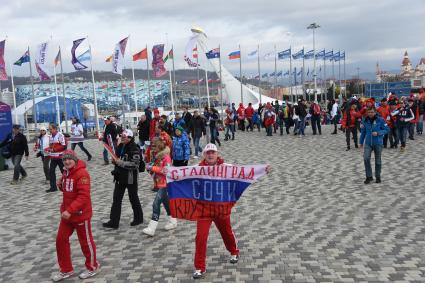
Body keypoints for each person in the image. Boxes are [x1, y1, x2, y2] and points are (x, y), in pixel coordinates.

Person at [192, 143, 270, 279]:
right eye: (208, 153)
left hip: (221, 208)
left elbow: (245, 172)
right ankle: (199, 267)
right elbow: (179, 174)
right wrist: (165, 171)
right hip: (203, 210)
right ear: (204, 155)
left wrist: (263, 169)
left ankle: (234, 251)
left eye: (213, 152)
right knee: (200, 237)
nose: (210, 155)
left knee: (226, 232)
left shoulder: (227, 168)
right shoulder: (197, 168)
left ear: (217, 154)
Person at [52, 150, 99, 282]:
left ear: (75, 159)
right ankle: (66, 269)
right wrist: (61, 185)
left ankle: (93, 267)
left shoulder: (82, 173)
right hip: (67, 215)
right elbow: (69, 191)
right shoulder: (66, 172)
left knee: (85, 242)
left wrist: (70, 210)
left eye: (69, 159)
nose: (67, 161)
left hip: (80, 215)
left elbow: (83, 196)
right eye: (64, 160)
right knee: (60, 240)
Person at [103, 129, 143, 229]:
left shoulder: (134, 148)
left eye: (125, 137)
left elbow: (134, 165)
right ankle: (114, 221)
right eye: (122, 136)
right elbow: (117, 158)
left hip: (130, 178)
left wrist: (119, 162)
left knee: (133, 198)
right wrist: (114, 161)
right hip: (120, 177)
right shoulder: (121, 146)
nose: (122, 138)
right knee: (116, 199)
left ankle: (139, 218)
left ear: (130, 137)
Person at [143, 137, 176, 236]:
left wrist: (153, 167)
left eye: (154, 146)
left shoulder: (166, 157)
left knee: (156, 203)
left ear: (159, 147)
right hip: (160, 183)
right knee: (166, 204)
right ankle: (173, 220)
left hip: (166, 184)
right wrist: (150, 168)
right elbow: (156, 168)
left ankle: (152, 227)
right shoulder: (157, 157)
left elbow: (167, 171)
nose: (152, 149)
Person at [360, 107, 389, 184]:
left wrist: (378, 133)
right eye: (369, 112)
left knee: (378, 160)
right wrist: (361, 142)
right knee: (366, 158)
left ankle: (378, 176)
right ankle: (369, 176)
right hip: (368, 143)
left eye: (372, 112)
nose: (370, 114)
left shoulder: (381, 120)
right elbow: (363, 132)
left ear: (375, 112)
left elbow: (387, 129)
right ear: (367, 112)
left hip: (378, 143)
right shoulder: (364, 120)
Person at [46, 124, 67, 192]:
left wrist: (54, 149)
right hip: (53, 157)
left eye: (51, 129)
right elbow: (52, 146)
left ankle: (67, 185)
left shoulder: (60, 135)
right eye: (49, 129)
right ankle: (53, 187)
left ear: (55, 129)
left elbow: (63, 146)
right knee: (51, 172)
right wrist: (48, 149)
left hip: (60, 157)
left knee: (63, 171)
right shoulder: (51, 136)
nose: (49, 130)